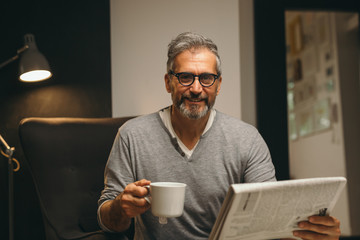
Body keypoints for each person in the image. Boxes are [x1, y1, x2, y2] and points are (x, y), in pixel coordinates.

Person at [98, 32, 341, 239]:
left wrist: (315, 232)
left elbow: (269, 221)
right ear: (168, 82)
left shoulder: (247, 139)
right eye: (185, 77)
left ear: (218, 84)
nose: (195, 89)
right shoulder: (132, 135)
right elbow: (107, 221)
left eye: (206, 78)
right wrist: (120, 207)